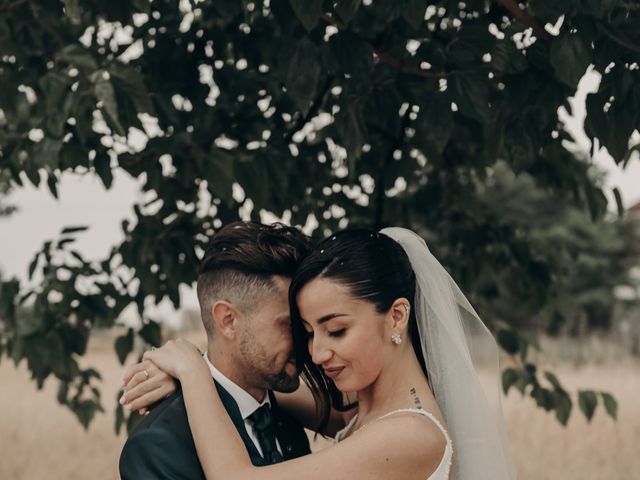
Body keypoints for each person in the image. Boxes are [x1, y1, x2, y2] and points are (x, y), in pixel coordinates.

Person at [132, 227, 516, 479]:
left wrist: (192, 368)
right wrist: (190, 372)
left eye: (337, 330)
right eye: (306, 331)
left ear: (397, 315)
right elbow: (249, 378)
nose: (315, 352)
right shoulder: (359, 411)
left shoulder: (410, 435)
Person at [118, 221, 339, 479]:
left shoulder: (286, 420)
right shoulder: (158, 444)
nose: (308, 345)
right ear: (228, 321)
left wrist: (192, 371)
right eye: (290, 325)